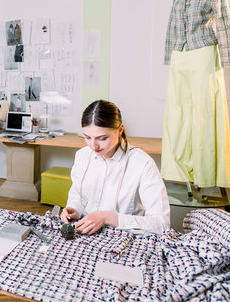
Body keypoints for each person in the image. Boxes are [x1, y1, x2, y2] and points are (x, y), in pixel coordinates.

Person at [61, 100, 170, 235]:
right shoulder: (82, 156)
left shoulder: (142, 164)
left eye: (102, 138)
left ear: (120, 130)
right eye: (87, 137)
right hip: (84, 234)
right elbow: (77, 196)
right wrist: (73, 209)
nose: (93, 146)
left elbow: (161, 223)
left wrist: (109, 218)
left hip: (124, 239)